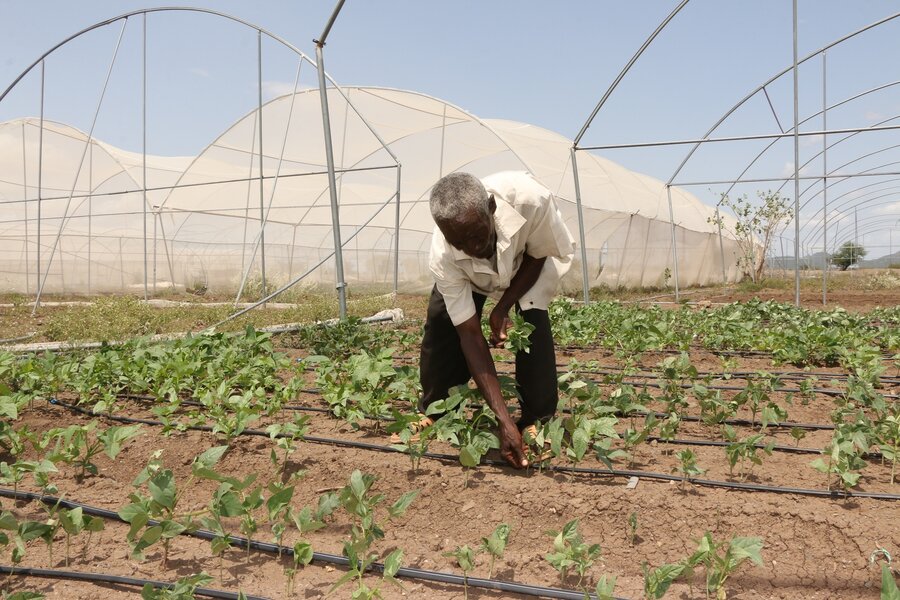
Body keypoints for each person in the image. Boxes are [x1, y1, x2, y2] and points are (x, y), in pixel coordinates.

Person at [414, 171, 576, 469]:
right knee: (441, 323)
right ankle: (436, 410)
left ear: (491, 206)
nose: (472, 247)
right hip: (469, 279)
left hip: (525, 264)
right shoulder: (443, 256)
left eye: (477, 234)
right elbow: (471, 337)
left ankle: (535, 419)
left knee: (531, 324)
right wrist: (502, 418)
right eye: (459, 241)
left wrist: (503, 307)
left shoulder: (531, 201)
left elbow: (538, 255)